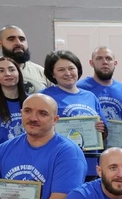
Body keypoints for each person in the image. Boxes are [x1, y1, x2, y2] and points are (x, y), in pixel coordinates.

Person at [41, 50, 107, 180]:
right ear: (53, 74)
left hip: (90, 164)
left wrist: (101, 130)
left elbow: (103, 130)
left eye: (71, 68)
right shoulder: (45, 96)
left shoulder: (90, 96)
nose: (68, 73)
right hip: (61, 163)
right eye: (61, 70)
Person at [79, 46, 122, 123]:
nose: (105, 62)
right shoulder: (79, 88)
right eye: (99, 58)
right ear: (91, 63)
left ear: (115, 63)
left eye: (108, 58)